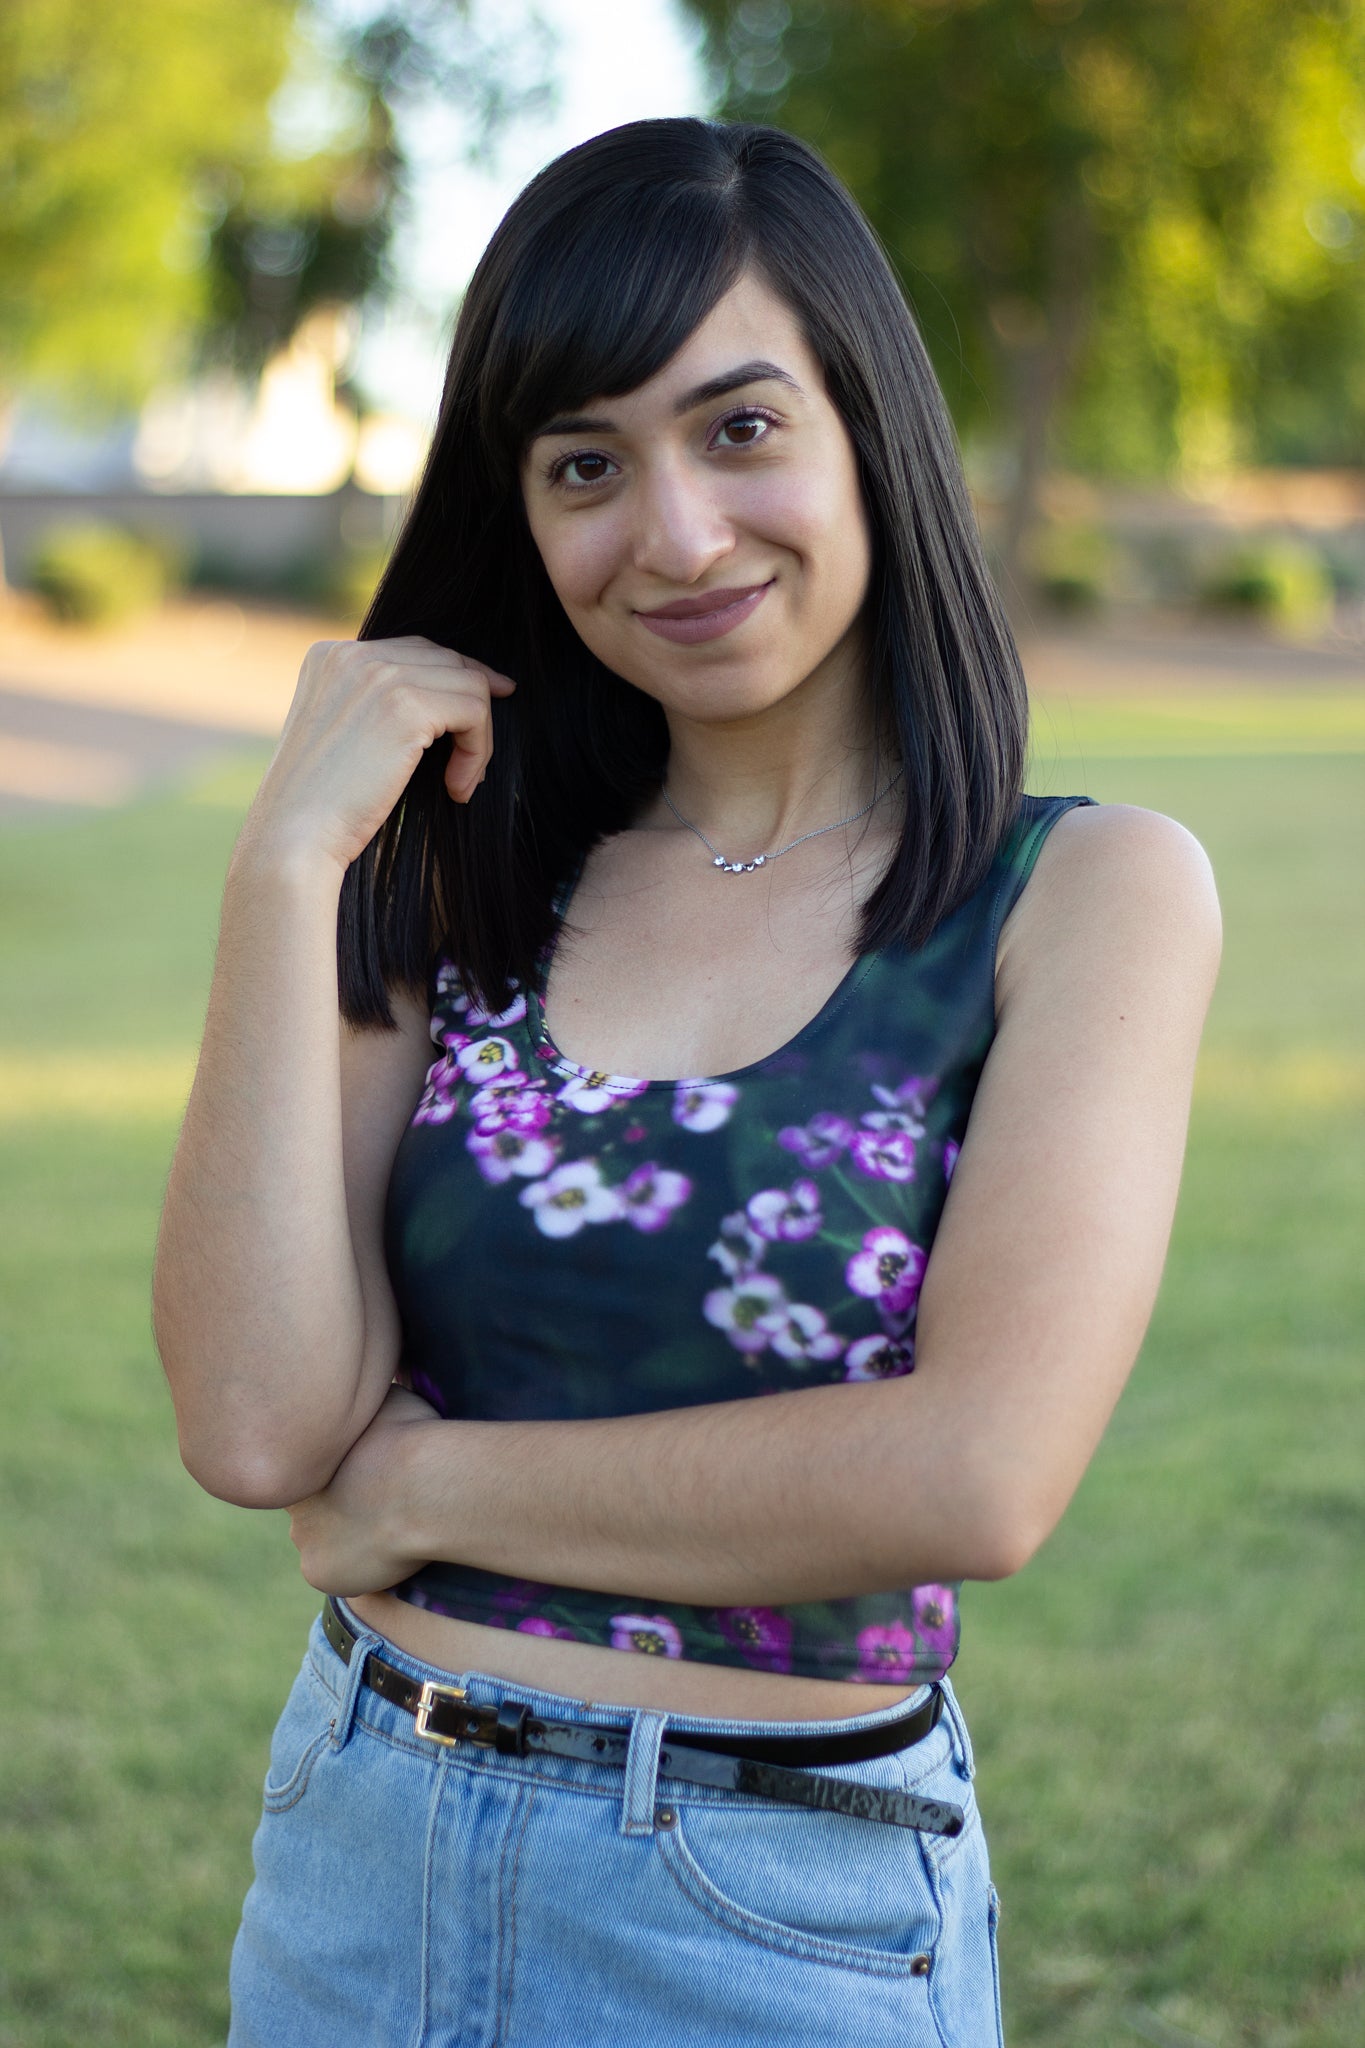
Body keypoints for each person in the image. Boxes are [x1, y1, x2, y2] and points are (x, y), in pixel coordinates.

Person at [152, 118, 1221, 2047]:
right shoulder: (469, 865)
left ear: (862, 428)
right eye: (585, 464)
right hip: (356, 1845)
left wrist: (417, 1484)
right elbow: (249, 1425)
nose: (673, 534)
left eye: (737, 427)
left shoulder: (1082, 895)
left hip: (766, 1912)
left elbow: (969, 1470)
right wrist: (282, 869)